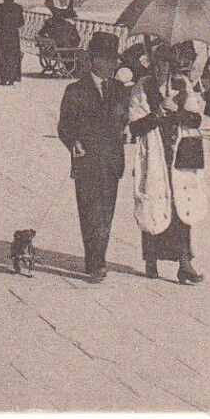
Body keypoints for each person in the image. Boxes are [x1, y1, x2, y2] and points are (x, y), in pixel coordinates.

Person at [130, 40, 207, 285]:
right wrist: (157, 114)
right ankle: (151, 259)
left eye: (166, 64)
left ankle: (185, 262)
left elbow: (195, 119)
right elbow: (136, 125)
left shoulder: (182, 85)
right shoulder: (143, 87)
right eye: (158, 64)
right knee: (154, 202)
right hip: (154, 151)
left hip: (178, 153)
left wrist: (175, 110)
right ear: (151, 65)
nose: (162, 69)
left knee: (181, 204)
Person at [57, 32, 132, 282]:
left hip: (111, 159)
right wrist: (73, 142)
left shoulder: (120, 89)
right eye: (109, 59)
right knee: (89, 211)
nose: (113, 65)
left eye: (115, 60)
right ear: (94, 60)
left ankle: (99, 256)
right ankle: (94, 262)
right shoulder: (76, 90)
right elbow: (64, 126)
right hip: (87, 159)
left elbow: (123, 117)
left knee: (106, 212)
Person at [0, 0, 26, 85]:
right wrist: (14, 26)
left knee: (3, 57)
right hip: (14, 35)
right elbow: (22, 23)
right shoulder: (18, 8)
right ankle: (12, 79)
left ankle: (3, 79)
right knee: (13, 56)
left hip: (2, 34)